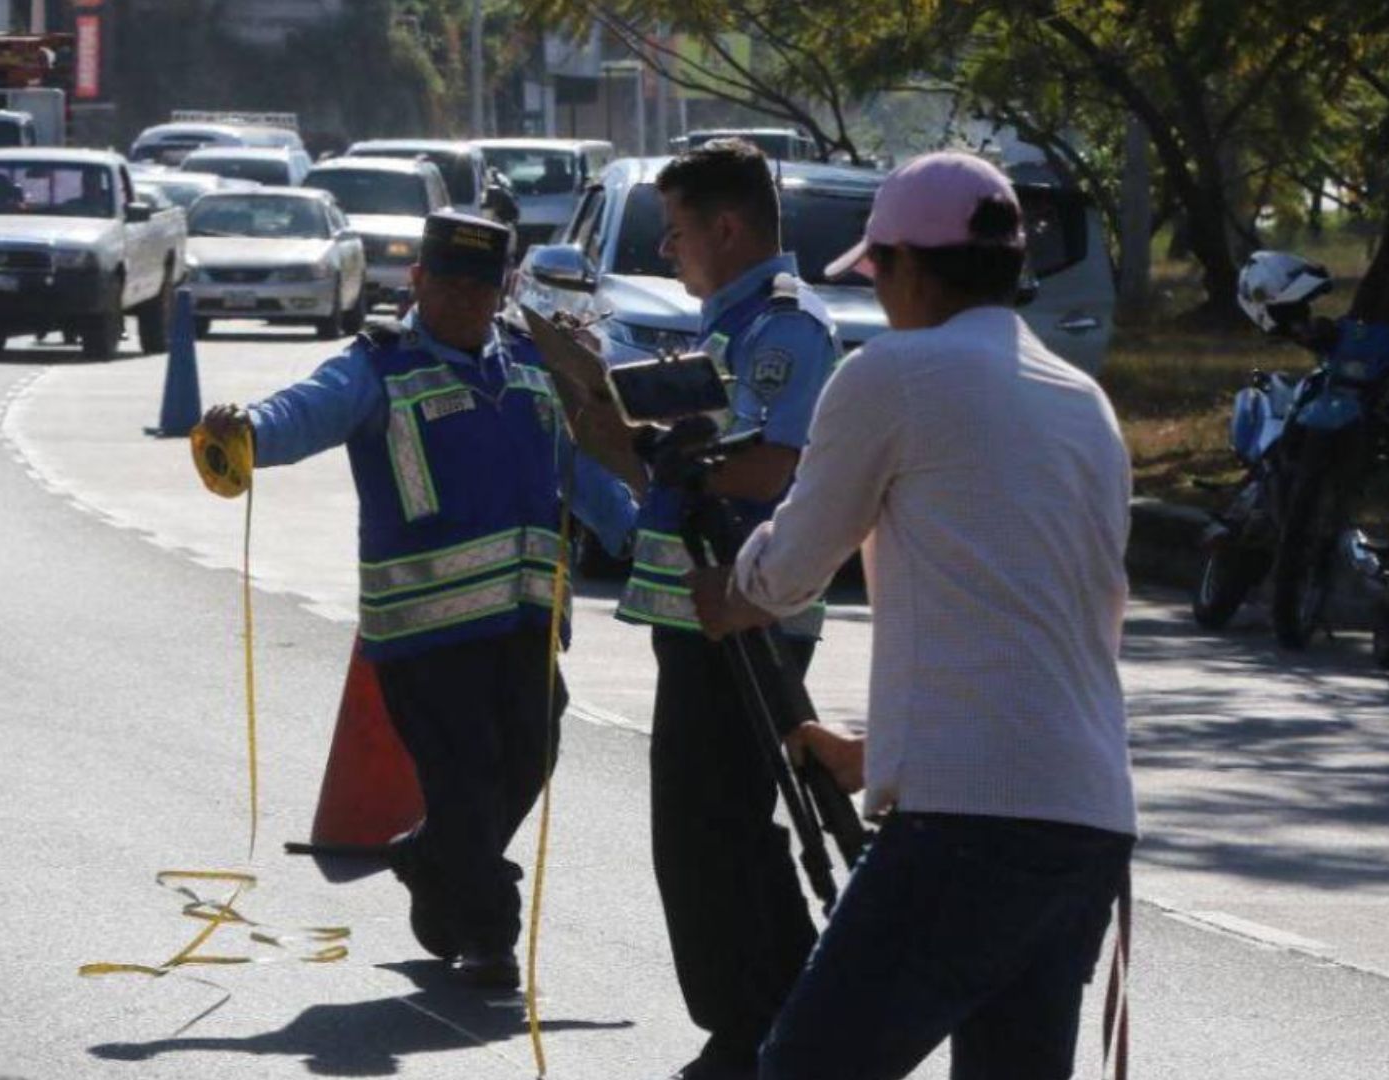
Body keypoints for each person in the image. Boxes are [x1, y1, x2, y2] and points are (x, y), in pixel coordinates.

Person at [689, 152, 1137, 1080]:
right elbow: (1042, 623)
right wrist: (884, 752)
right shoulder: (1082, 401)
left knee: (806, 1067)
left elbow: (787, 573)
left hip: (972, 827)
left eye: (879, 273)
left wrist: (729, 593)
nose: (881, 296)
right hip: (1086, 816)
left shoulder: (894, 373)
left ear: (906, 265)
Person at [198, 211, 635, 990]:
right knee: (466, 778)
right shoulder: (378, 368)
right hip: (424, 637)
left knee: (529, 763)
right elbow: (303, 410)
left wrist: (644, 532)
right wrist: (247, 432)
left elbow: (587, 473)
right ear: (418, 281)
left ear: (504, 288)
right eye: (451, 282)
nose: (466, 298)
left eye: (483, 284)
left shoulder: (537, 365)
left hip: (529, 627)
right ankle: (488, 934)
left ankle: (433, 856)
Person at [615, 141, 840, 1080]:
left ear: (728, 227)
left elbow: (765, 466)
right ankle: (761, 1024)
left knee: (724, 832)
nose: (670, 254)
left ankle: (766, 1028)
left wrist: (655, 442)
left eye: (675, 234)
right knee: (708, 830)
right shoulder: (728, 326)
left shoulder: (785, 331)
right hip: (700, 616)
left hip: (748, 619)